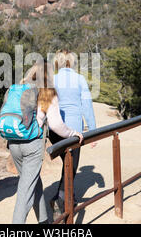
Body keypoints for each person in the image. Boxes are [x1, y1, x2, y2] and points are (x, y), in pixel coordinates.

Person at [7, 62, 84, 224]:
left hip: (13, 142)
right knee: (25, 191)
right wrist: (73, 133)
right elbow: (56, 125)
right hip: (32, 144)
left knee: (33, 183)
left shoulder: (18, 88)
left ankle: (43, 221)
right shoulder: (47, 92)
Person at [49, 49, 97, 219]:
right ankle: (60, 201)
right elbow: (87, 105)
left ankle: (67, 196)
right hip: (74, 130)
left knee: (66, 164)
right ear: (72, 62)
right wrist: (92, 130)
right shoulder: (79, 79)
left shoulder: (52, 79)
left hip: (54, 130)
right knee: (71, 167)